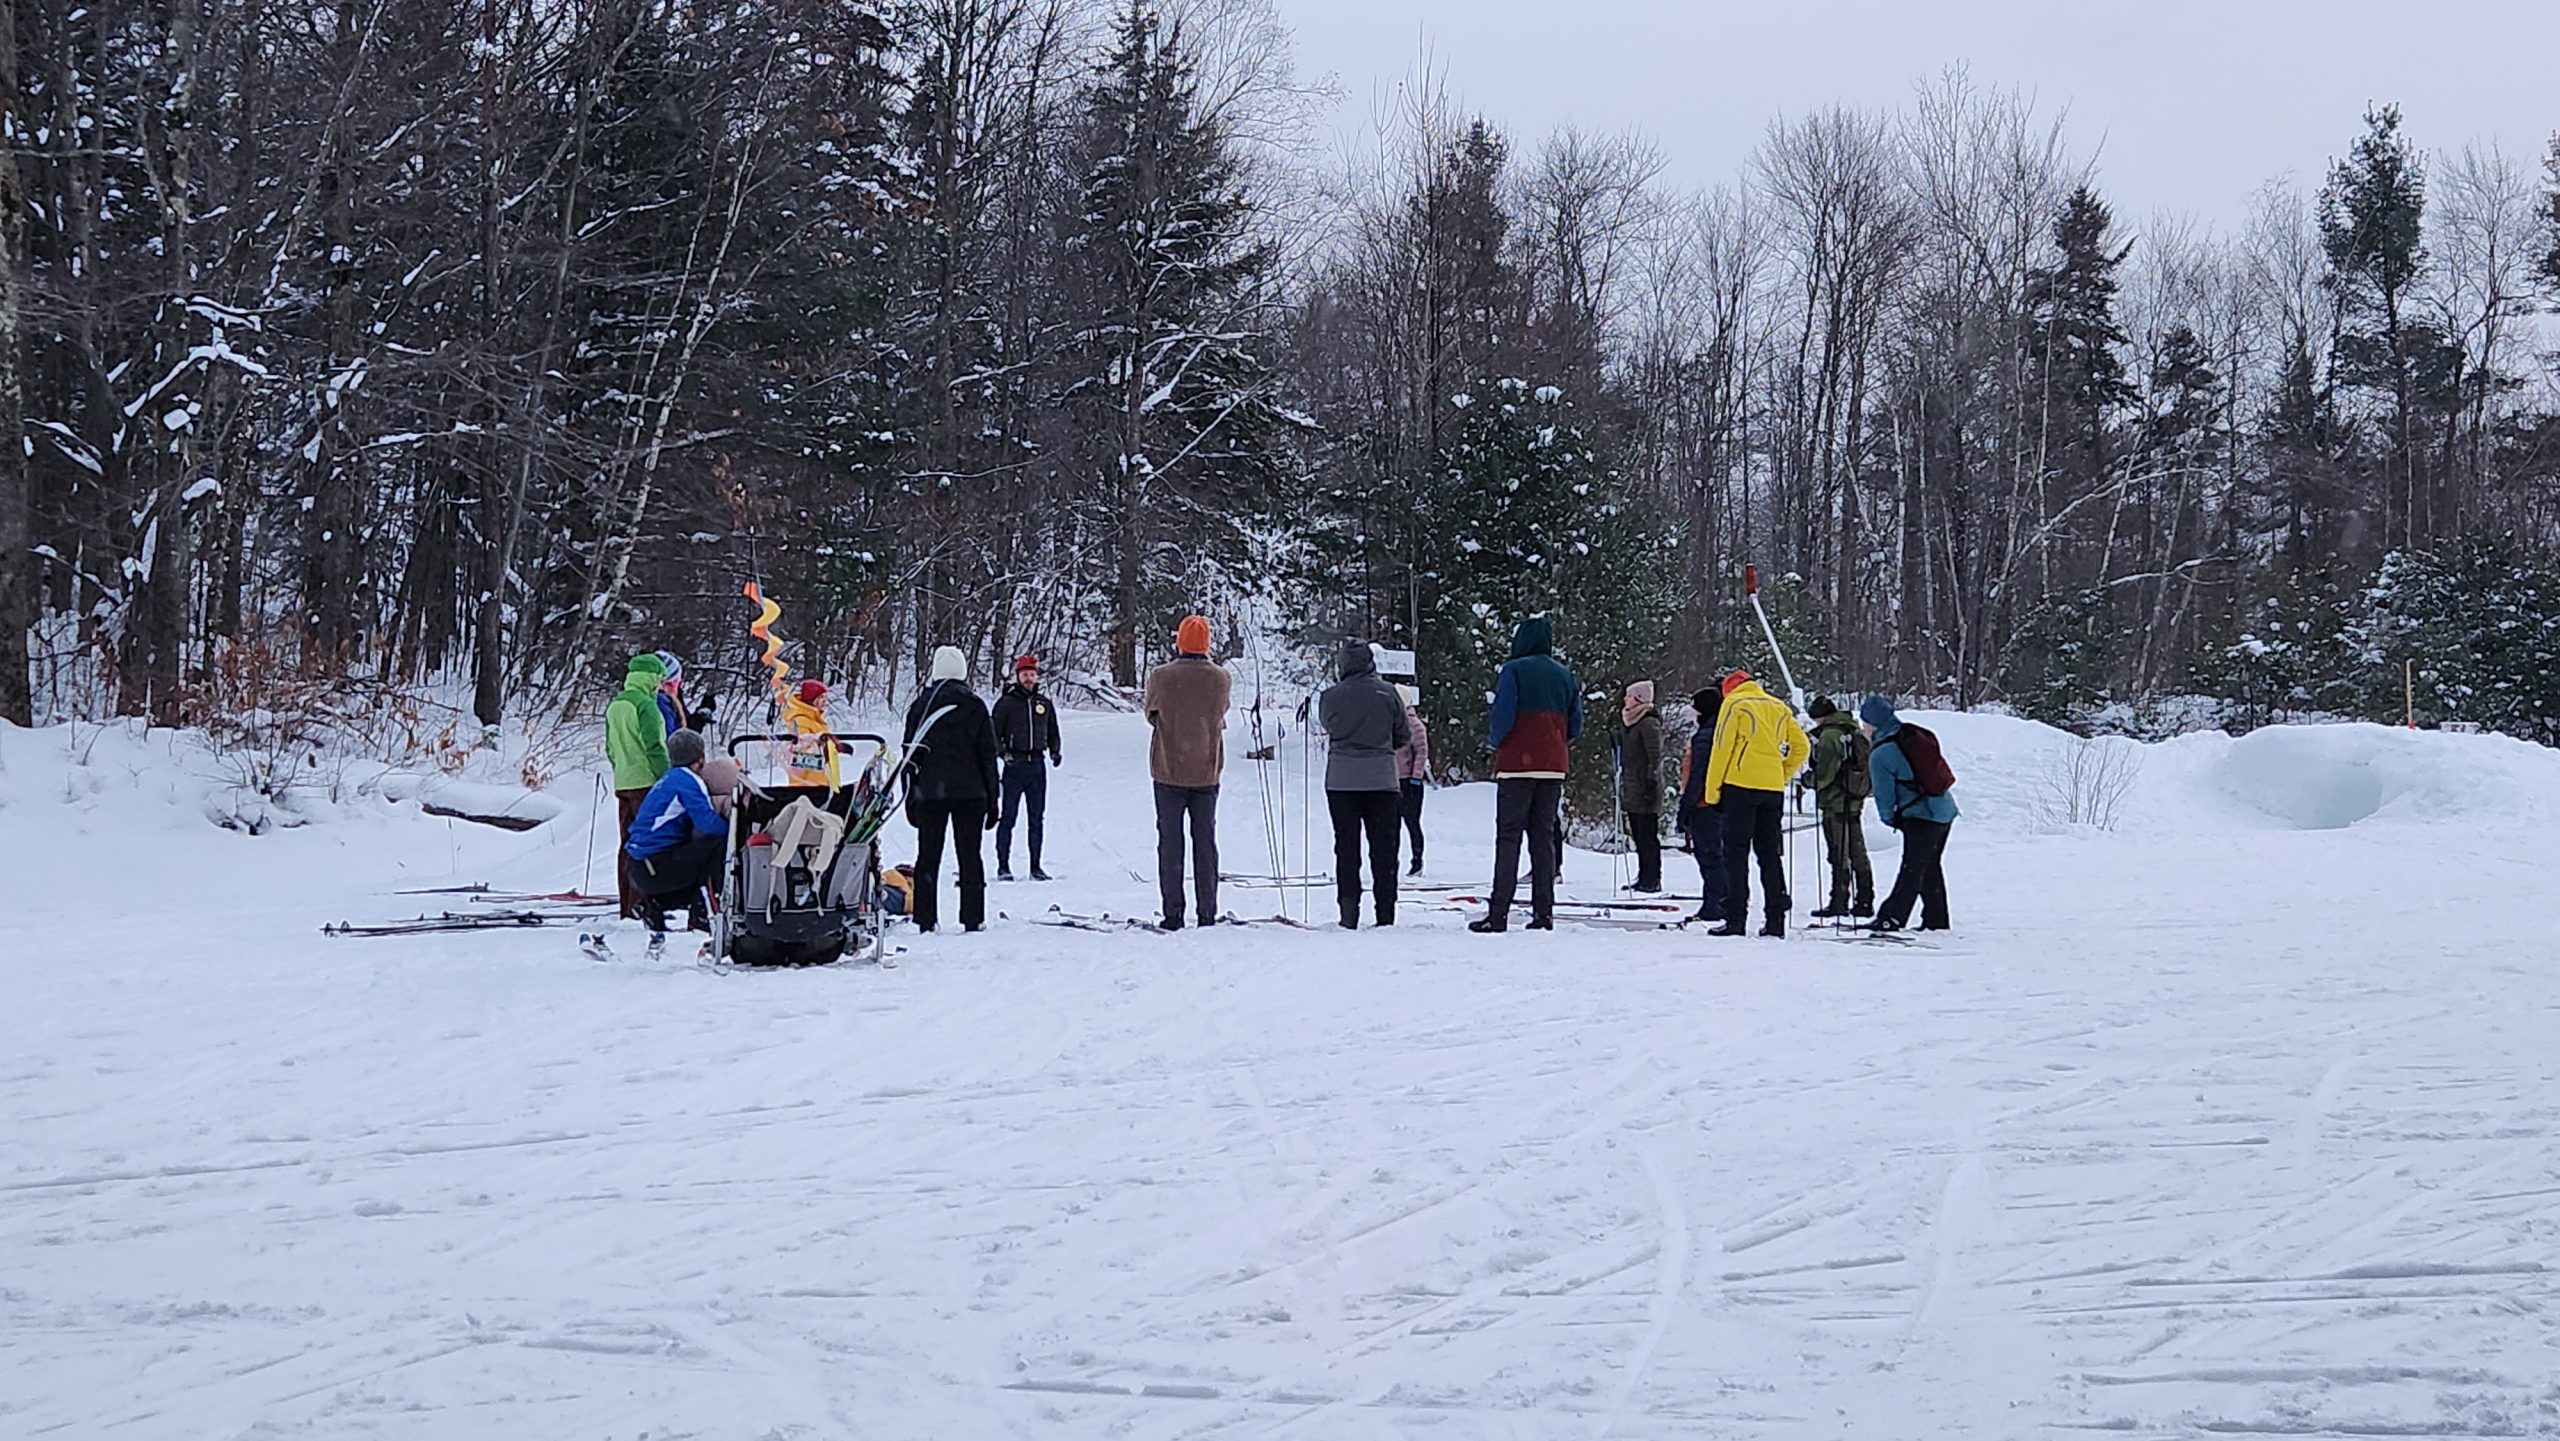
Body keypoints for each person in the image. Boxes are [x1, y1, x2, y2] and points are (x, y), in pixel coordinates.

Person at [1470, 615, 1582, 934]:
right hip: (1553, 765)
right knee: (1543, 839)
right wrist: (1557, 742)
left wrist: (1496, 742)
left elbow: (1503, 715)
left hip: (1517, 764)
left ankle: (1498, 913)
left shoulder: (1514, 670)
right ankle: (1543, 913)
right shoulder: (1565, 675)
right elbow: (1576, 723)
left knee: (1508, 838)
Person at [1700, 669, 1808, 938]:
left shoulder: (1734, 704)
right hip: (1771, 789)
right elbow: (1802, 746)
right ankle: (1775, 919)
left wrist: (1713, 793)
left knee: (1735, 855)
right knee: (1769, 854)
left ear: (1729, 689)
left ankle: (1736, 918)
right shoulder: (1778, 706)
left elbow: (1721, 748)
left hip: (1740, 786)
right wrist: (1781, 773)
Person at [902, 645, 1001, 934]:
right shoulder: (976, 706)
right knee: (970, 855)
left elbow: (910, 754)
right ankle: (972, 917)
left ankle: (925, 917)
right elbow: (988, 755)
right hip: (971, 793)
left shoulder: (921, 706)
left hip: (931, 793)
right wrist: (993, 798)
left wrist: (910, 794)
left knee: (928, 855)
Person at [1144, 614, 1232, 930]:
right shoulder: (1221, 678)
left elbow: (1150, 713)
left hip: (1168, 771)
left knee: (1170, 842)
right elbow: (1220, 712)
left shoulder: (1161, 676)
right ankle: (1206, 912)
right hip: (1207, 772)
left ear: (1179, 641)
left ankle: (1173, 913)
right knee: (1205, 841)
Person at [1319, 640, 1411, 929]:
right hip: (1382, 779)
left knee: (1346, 848)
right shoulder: (1389, 693)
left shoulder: (1331, 696)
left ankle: (1349, 912)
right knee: (1384, 849)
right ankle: (1385, 912)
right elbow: (1403, 735)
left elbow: (1327, 726)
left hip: (1342, 781)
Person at [1860, 695, 1958, 932]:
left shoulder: (1881, 753)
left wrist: (1891, 818)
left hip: (1920, 815)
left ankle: (1892, 917)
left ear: (1873, 724)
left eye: (1864, 724)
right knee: (1928, 865)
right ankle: (1936, 920)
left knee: (1913, 868)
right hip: (1944, 810)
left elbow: (1885, 796)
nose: (1863, 729)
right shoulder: (1911, 735)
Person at [625, 728, 728, 941]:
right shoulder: (689, 781)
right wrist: (736, 831)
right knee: (718, 846)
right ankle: (705, 913)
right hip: (656, 865)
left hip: (639, 865)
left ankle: (656, 904)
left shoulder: (669, 778)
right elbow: (708, 824)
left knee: (695, 854)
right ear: (701, 757)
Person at [605, 652, 671, 919]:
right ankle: (643, 903)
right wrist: (666, 780)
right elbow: (655, 746)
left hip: (623, 782)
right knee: (648, 843)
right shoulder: (646, 706)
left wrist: (621, 769)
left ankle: (626, 904)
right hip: (647, 784)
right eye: (659, 678)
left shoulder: (616, 704)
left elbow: (610, 748)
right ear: (651, 677)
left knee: (627, 844)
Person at [990, 653, 1062, 881]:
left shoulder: (1044, 704)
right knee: (1008, 817)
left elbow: (1053, 731)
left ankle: (1035, 866)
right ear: (1018, 676)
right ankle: (1003, 866)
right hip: (1015, 767)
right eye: (1024, 674)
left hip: (1037, 766)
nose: (1029, 678)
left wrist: (1055, 750)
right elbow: (994, 734)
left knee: (1036, 818)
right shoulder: (1006, 703)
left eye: (1032, 674)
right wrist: (1003, 754)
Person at [1805, 696, 1876, 919]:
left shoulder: (1829, 736)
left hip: (1835, 801)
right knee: (1857, 850)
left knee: (1838, 851)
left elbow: (1825, 773)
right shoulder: (1852, 730)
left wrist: (1808, 780)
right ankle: (1865, 899)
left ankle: (1839, 900)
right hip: (1854, 798)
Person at [1675, 687, 1727, 925]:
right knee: (1715, 854)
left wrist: (1686, 807)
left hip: (1705, 803)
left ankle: (1715, 904)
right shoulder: (1719, 731)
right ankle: (1719, 900)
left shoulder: (1705, 736)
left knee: (1709, 854)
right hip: (1715, 802)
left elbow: (1698, 775)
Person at [1616, 681, 1665, 892]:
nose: (1625, 700)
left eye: (1629, 696)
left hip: (1645, 786)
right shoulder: (1631, 722)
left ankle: (1652, 878)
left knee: (1647, 835)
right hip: (1633, 785)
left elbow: (1655, 756)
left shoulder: (1648, 723)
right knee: (1638, 833)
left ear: (1639, 699)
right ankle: (1644, 875)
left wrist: (1651, 782)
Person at [1394, 684, 1429, 875]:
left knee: (1412, 823)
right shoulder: (1390, 722)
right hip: (1392, 781)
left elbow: (1421, 753)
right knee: (1392, 826)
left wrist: (1416, 776)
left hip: (1409, 782)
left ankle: (1417, 861)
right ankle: (1392, 862)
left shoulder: (1414, 725)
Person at [782, 678, 838, 787]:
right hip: (808, 786)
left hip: (819, 782)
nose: (825, 701)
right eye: (821, 697)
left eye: (825, 697)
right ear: (812, 699)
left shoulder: (815, 720)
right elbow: (802, 754)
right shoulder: (801, 721)